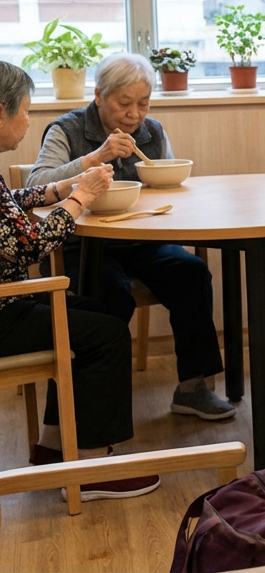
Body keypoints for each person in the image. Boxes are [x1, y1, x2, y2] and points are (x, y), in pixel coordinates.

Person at [29, 53, 233, 421]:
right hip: (81, 244)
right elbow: (35, 184)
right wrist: (95, 156)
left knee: (191, 274)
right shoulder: (66, 129)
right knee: (111, 293)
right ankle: (104, 401)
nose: (134, 114)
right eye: (124, 103)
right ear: (98, 96)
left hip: (141, 238)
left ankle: (192, 388)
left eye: (143, 104)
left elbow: (167, 184)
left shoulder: (152, 131)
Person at [0, 62, 161, 501]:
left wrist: (62, 186)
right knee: (106, 333)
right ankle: (91, 467)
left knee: (95, 312)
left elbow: (13, 201)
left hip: (11, 305)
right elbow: (29, 245)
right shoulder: (67, 127)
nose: (27, 121)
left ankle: (55, 446)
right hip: (5, 312)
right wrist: (80, 197)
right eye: (24, 112)